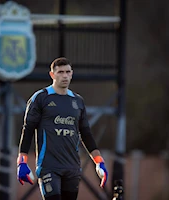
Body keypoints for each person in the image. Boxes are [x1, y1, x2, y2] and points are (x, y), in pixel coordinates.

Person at [17, 57, 108, 200]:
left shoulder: (78, 101)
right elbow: (28, 130)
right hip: (49, 167)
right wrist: (22, 161)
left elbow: (86, 134)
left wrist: (99, 162)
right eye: (60, 72)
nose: (64, 76)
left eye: (67, 72)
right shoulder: (40, 98)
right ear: (52, 75)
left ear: (72, 74)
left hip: (72, 168)